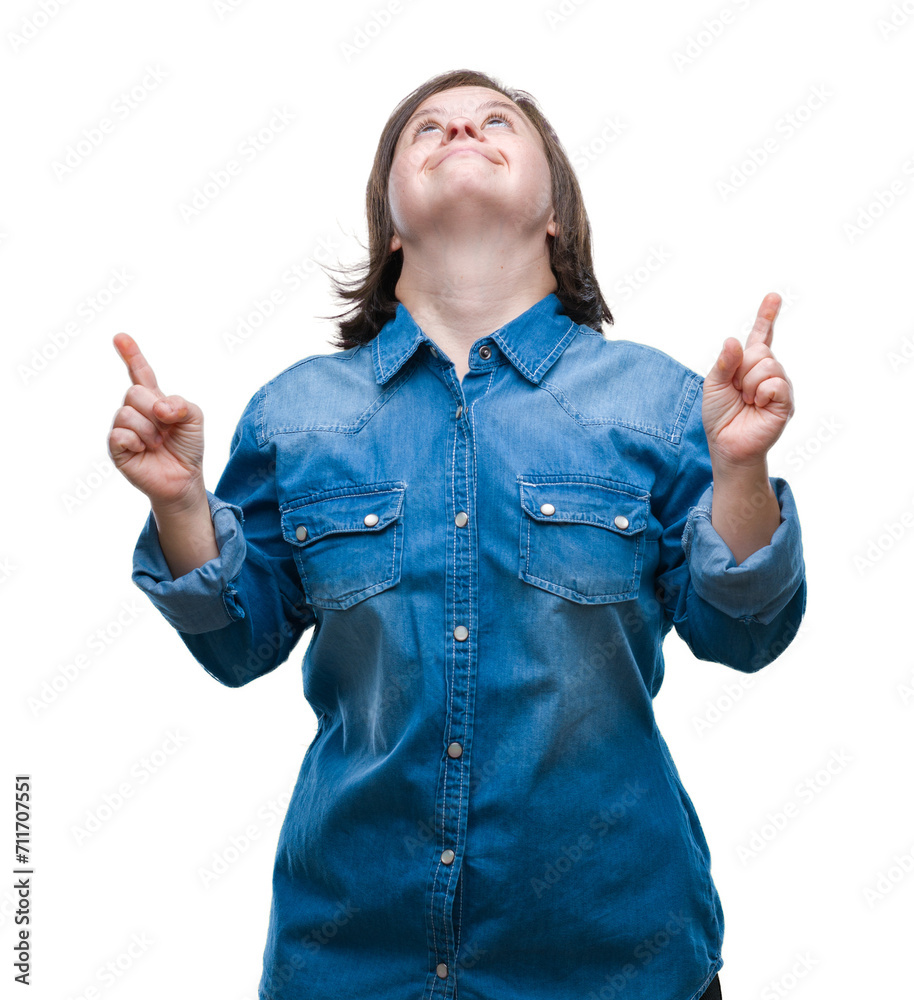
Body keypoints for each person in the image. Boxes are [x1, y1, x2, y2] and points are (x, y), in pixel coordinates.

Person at [110, 68, 805, 1000]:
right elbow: (239, 643)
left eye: (494, 121)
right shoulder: (297, 415)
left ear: (554, 210)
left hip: (616, 959)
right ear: (390, 220)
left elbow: (746, 632)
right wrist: (181, 506)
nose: (460, 131)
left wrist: (741, 471)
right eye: (426, 129)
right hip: (354, 959)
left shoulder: (662, 401)